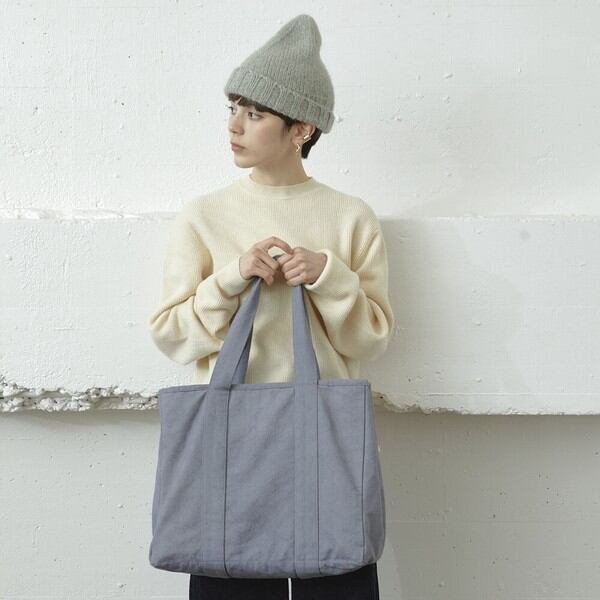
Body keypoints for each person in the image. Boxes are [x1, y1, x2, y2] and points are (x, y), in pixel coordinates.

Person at [148, 13, 394, 600]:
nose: (234, 125)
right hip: (232, 438)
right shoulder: (204, 216)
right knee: (228, 579)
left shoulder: (350, 217)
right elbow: (171, 333)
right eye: (233, 107)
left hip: (324, 437)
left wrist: (328, 277)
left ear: (301, 129)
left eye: (255, 114)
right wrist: (232, 278)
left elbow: (371, 338)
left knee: (337, 577)